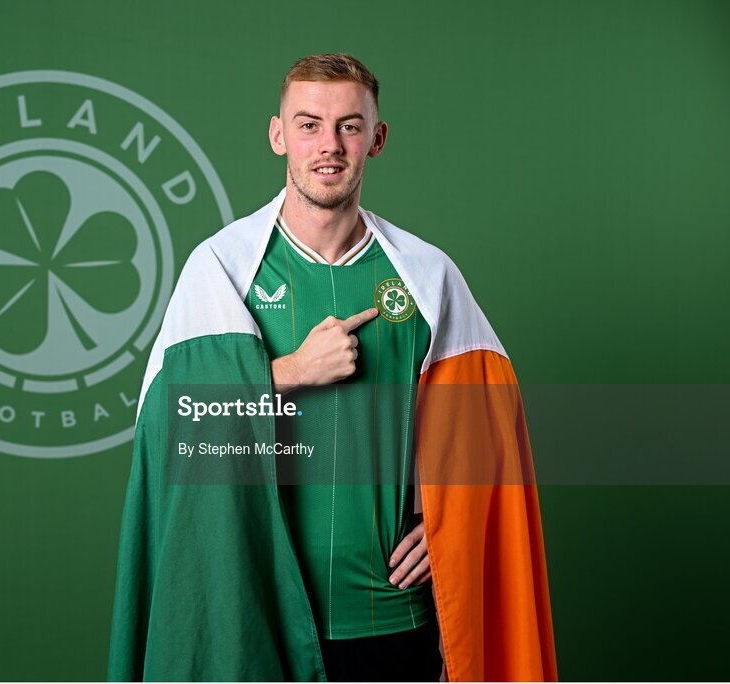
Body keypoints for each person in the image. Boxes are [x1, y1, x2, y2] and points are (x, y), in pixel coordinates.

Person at [108, 54, 557, 682]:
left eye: (349, 126)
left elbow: (490, 426)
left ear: (377, 139)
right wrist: (289, 371)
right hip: (257, 615)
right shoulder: (221, 269)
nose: (330, 145)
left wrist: (457, 511)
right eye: (309, 124)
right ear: (278, 135)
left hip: (394, 617)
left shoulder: (427, 276)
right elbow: (171, 427)